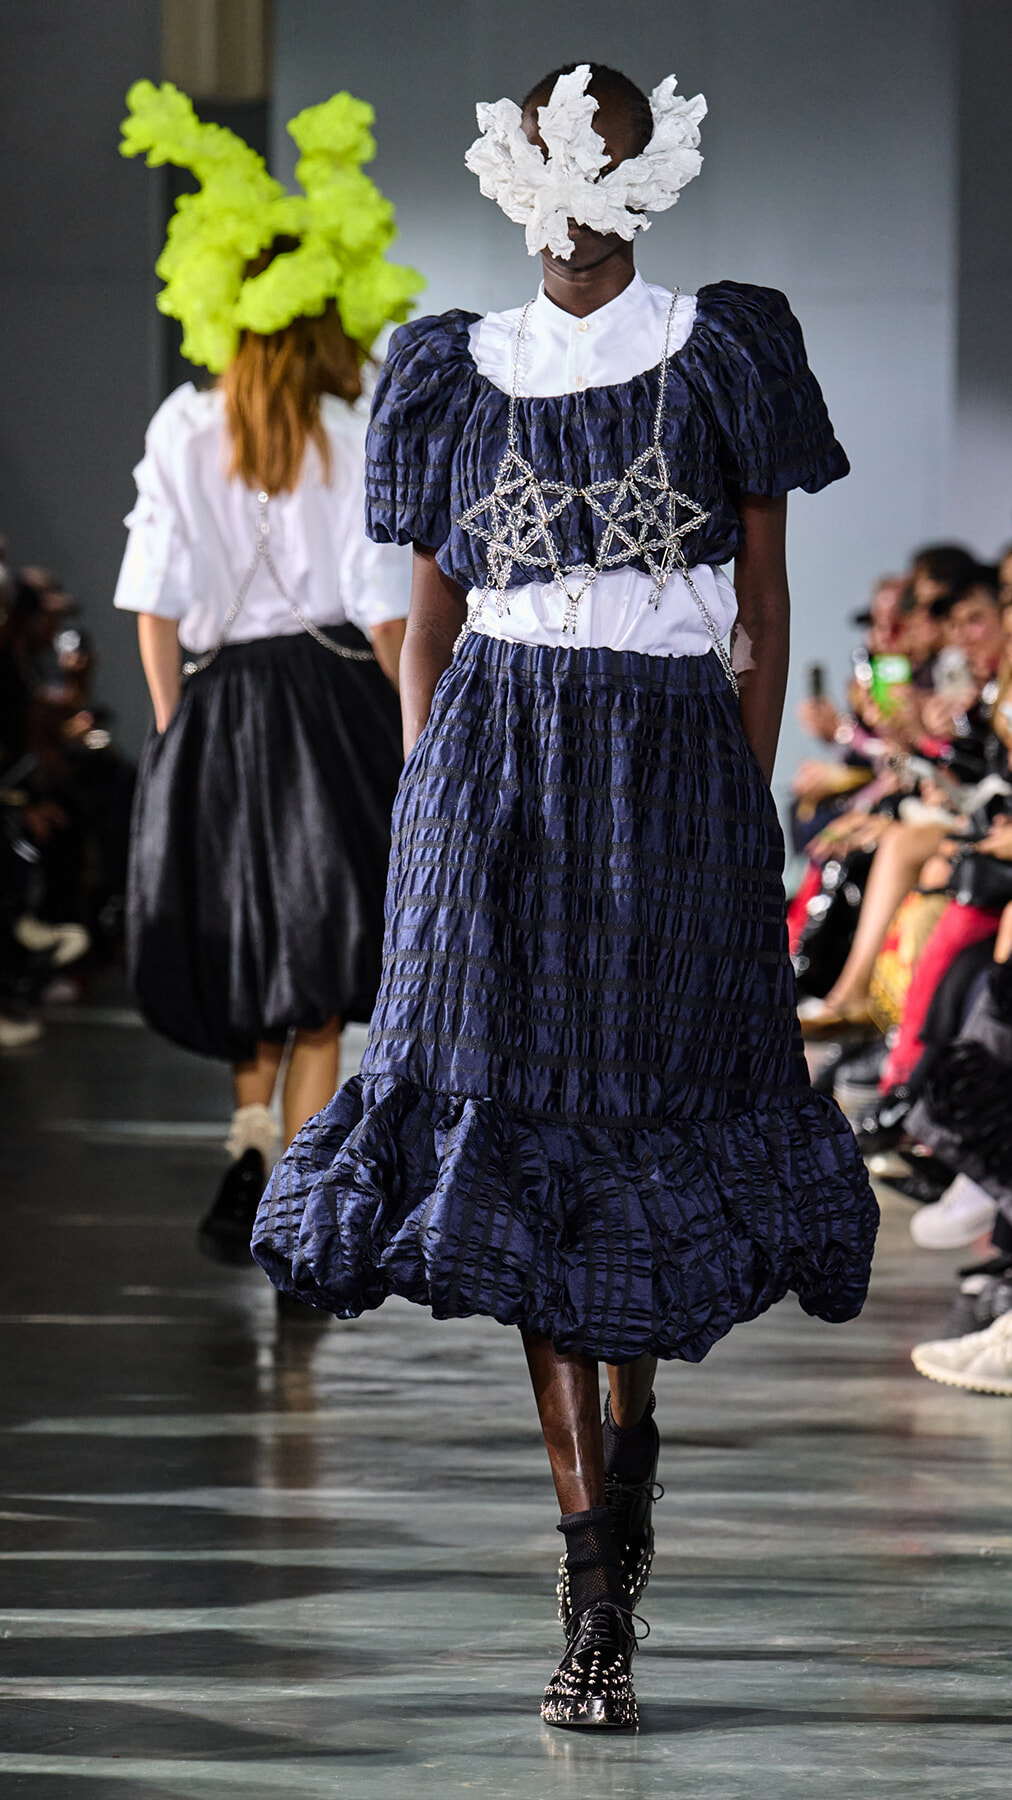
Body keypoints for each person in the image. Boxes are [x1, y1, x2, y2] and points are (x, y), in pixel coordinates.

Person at [253, 62, 878, 1731]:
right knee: (513, 1140)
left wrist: (742, 814)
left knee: (642, 1126)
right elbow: (427, 619)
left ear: (654, 172)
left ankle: (629, 1441)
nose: (581, 191)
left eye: (611, 159)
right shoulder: (448, 370)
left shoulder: (731, 343)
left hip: (673, 776)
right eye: (556, 156)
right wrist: (427, 814)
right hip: (493, 780)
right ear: (515, 170)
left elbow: (765, 598)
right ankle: (593, 1571)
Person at [116, 84, 421, 1258]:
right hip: (335, 696)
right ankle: (295, 1195)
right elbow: (382, 606)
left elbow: (150, 606)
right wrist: (415, 738)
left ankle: (248, 1133)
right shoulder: (352, 432)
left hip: (220, 706)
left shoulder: (181, 426)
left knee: (249, 944)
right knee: (328, 967)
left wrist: (173, 731)